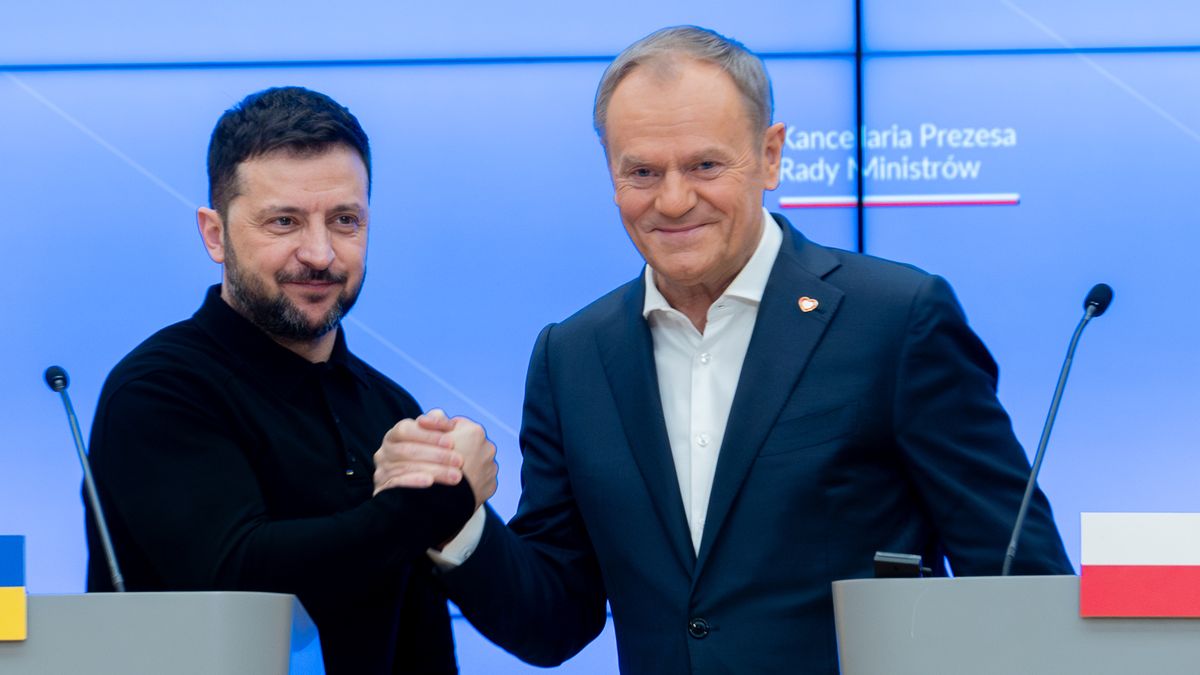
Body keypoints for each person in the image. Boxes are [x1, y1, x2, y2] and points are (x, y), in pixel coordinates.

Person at [375, 26, 1073, 673]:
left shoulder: (897, 319)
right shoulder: (572, 356)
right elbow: (556, 618)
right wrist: (458, 517)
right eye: (642, 172)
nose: (674, 201)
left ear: (770, 155)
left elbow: (1018, 575)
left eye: (706, 164)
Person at [85, 86, 496, 675]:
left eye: (345, 220)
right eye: (284, 222)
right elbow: (243, 581)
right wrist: (445, 500)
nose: (320, 252)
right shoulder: (158, 391)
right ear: (213, 234)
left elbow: (425, 641)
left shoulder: (389, 406)